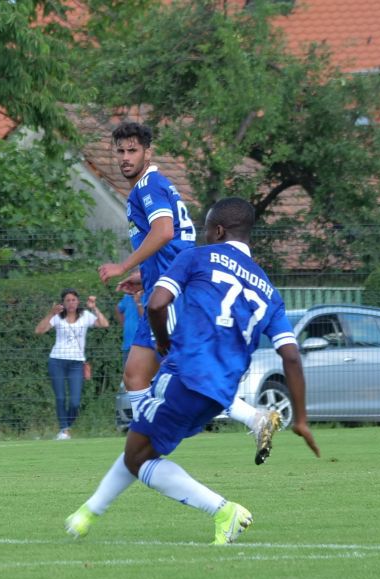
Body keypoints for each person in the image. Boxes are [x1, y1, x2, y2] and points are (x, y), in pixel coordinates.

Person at [67, 197, 320, 544]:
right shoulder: (268, 290)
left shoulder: (196, 256)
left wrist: (161, 341)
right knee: (141, 448)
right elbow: (291, 356)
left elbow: (157, 303)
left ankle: (223, 510)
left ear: (217, 230)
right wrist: (302, 419)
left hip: (184, 375)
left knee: (138, 457)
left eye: (206, 228)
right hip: (219, 394)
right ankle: (86, 514)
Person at [98, 121, 279, 466]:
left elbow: (164, 232)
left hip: (172, 295)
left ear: (147, 152)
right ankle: (249, 419)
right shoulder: (156, 185)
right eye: (120, 151)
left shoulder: (147, 187)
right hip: (168, 285)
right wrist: (143, 274)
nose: (124, 157)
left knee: (172, 373)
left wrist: (123, 266)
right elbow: (175, 241)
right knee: (147, 373)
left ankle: (146, 447)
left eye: (132, 150)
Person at [35, 289, 109, 439]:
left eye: (73, 300)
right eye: (67, 300)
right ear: (63, 302)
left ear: (78, 301)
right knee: (61, 397)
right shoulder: (57, 317)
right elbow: (39, 331)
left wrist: (94, 307)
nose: (71, 303)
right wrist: (51, 313)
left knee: (75, 401)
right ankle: (64, 430)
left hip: (76, 362)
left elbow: (104, 324)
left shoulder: (85, 316)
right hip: (57, 360)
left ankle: (66, 426)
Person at [114, 286, 143, 371]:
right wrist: (124, 324)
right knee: (128, 378)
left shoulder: (147, 295)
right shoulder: (127, 297)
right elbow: (118, 309)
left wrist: (138, 302)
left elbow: (145, 318)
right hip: (127, 345)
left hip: (142, 345)